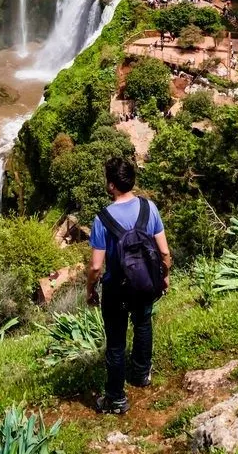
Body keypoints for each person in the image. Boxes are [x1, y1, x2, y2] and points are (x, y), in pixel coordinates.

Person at [87, 157, 171, 414]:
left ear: (111, 185)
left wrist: (90, 290)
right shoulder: (149, 208)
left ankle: (116, 398)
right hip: (145, 283)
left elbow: (96, 267)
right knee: (143, 324)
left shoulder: (102, 219)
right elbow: (165, 253)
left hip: (116, 289)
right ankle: (141, 374)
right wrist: (164, 278)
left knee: (115, 341)